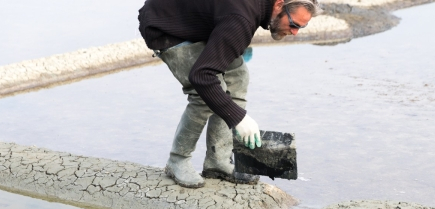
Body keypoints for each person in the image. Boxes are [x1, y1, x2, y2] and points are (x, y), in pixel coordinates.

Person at [138, 0, 322, 188]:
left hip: (200, 21)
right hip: (165, 25)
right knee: (202, 95)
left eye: (302, 26)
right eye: (294, 25)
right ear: (278, 5)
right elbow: (201, 76)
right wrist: (238, 119)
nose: (295, 32)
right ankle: (178, 160)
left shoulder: (247, 13)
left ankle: (218, 162)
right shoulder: (240, 19)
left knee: (238, 77)